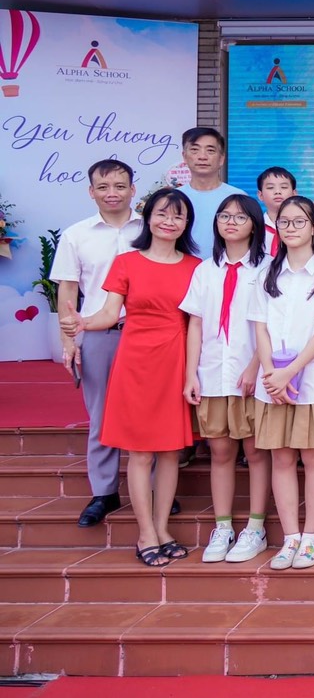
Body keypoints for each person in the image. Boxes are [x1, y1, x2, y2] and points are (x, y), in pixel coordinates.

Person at [62, 188, 201, 566]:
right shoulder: (126, 263)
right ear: (148, 218)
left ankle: (163, 529)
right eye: (162, 214)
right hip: (135, 362)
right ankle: (145, 534)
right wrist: (81, 323)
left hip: (175, 361)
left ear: (186, 224)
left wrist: (192, 373)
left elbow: (196, 324)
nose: (169, 221)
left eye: (178, 216)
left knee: (170, 452)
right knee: (140, 453)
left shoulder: (195, 267)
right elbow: (110, 314)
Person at [249, 196, 314, 570]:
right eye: (284, 222)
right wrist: (271, 374)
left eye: (299, 221)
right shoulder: (265, 274)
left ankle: (311, 537)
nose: (290, 228)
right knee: (280, 457)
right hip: (273, 384)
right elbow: (259, 328)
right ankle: (290, 537)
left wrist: (290, 371)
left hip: (313, 381)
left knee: (313, 456)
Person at [51, 159, 144, 527]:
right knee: (101, 414)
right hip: (98, 334)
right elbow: (68, 290)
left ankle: (153, 488)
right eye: (103, 187)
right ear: (91, 191)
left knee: (148, 411)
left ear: (132, 189)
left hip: (146, 333)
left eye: (120, 186)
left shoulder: (151, 228)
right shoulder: (77, 234)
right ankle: (104, 492)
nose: (112, 193)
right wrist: (69, 341)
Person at [180, 195, 271, 563]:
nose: (230, 222)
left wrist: (254, 366)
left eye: (239, 217)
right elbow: (195, 323)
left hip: (251, 375)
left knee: (255, 452)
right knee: (219, 452)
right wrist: (191, 373)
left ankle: (256, 526)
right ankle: (222, 526)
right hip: (213, 373)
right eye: (224, 216)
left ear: (254, 224)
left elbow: (270, 325)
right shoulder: (206, 270)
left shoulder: (267, 268)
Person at [178, 127, 247, 261]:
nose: (202, 157)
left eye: (210, 150)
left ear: (221, 158)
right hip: (182, 268)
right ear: (184, 157)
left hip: (224, 268)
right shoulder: (175, 198)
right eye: (195, 150)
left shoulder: (237, 197)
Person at [256, 166, 296, 257]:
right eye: (270, 187)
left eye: (284, 187)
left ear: (294, 194)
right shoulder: (254, 228)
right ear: (260, 195)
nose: (277, 192)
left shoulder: (303, 227)